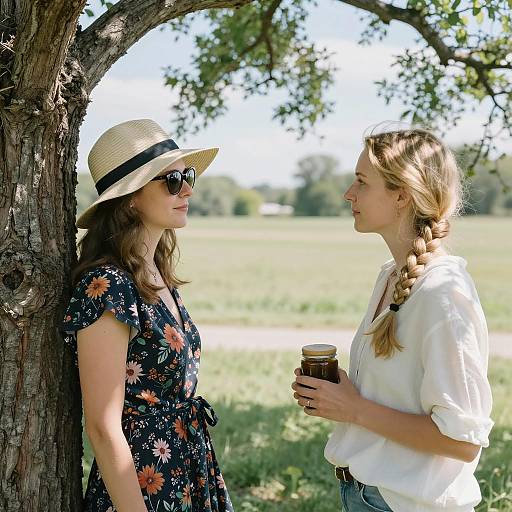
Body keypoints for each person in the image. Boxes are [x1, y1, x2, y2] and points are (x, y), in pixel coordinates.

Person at [291, 127, 494, 512]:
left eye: (362, 182)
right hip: (369, 496)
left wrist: (354, 408)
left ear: (402, 194)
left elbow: (462, 442)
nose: (348, 193)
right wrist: (339, 396)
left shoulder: (444, 295)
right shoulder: (392, 275)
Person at [60, 119, 233, 512]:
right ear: (132, 197)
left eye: (186, 176)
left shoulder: (156, 274)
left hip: (187, 469)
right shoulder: (109, 285)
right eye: (171, 180)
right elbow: (103, 428)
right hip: (141, 485)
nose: (187, 188)